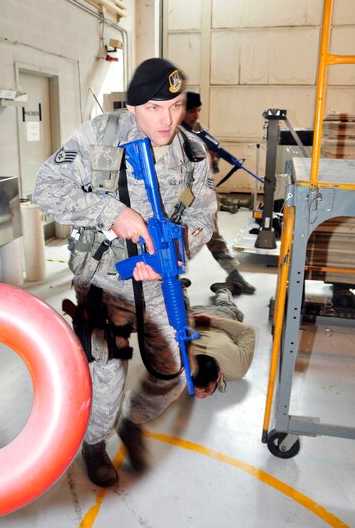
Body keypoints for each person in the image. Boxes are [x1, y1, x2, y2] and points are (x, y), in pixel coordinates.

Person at [33, 58, 217, 487]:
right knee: (107, 374)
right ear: (133, 107)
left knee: (175, 369)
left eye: (175, 105)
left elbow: (204, 215)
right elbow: (46, 190)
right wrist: (111, 212)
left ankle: (133, 423)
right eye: (154, 107)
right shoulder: (98, 137)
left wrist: (173, 252)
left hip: (159, 286)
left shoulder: (191, 150)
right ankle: (95, 443)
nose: (167, 119)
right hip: (104, 282)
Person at [182, 92, 256, 296]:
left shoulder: (199, 130)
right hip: (180, 196)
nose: (195, 116)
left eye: (198, 110)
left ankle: (233, 274)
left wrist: (213, 159)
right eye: (191, 111)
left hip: (202, 193)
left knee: (213, 233)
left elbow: (211, 169)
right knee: (174, 236)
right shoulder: (170, 134)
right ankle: (169, 278)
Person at [182, 279, 255, 398]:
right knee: (224, 304)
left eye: (202, 390)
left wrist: (207, 320)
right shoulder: (237, 369)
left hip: (195, 320)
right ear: (218, 377)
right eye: (204, 390)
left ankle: (180, 286)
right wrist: (212, 320)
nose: (200, 396)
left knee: (179, 309)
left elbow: (248, 332)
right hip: (214, 319)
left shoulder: (179, 367)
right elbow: (247, 332)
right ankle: (224, 289)